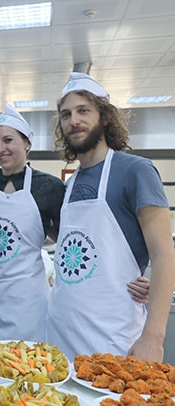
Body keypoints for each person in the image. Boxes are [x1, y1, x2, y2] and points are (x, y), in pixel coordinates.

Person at [47, 72, 175, 362]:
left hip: (112, 339)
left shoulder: (136, 171)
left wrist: (153, 337)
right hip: (58, 335)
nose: (74, 121)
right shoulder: (70, 184)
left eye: (83, 111)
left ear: (104, 117)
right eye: (66, 114)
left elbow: (164, 254)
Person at [0, 104, 65, 348]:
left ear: (27, 143)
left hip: (29, 299)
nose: (0, 149)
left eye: (8, 140)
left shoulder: (49, 186)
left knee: (29, 363)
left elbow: (63, 237)